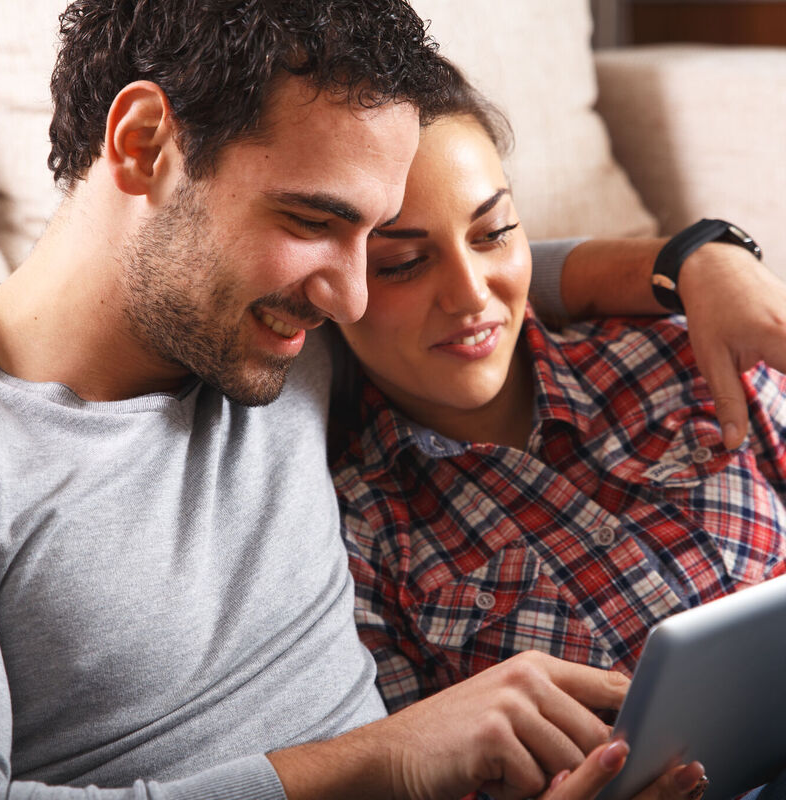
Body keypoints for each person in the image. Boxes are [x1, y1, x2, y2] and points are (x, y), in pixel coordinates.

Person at [0, 1, 778, 798]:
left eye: (375, 244)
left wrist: (697, 259)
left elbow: (477, 285)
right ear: (144, 144)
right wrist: (389, 756)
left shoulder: (281, 331)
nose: (354, 297)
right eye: (312, 219)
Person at [330, 63, 786, 797]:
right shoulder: (360, 541)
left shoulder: (677, 353)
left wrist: (705, 255)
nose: (473, 295)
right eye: (406, 264)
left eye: (495, 231)